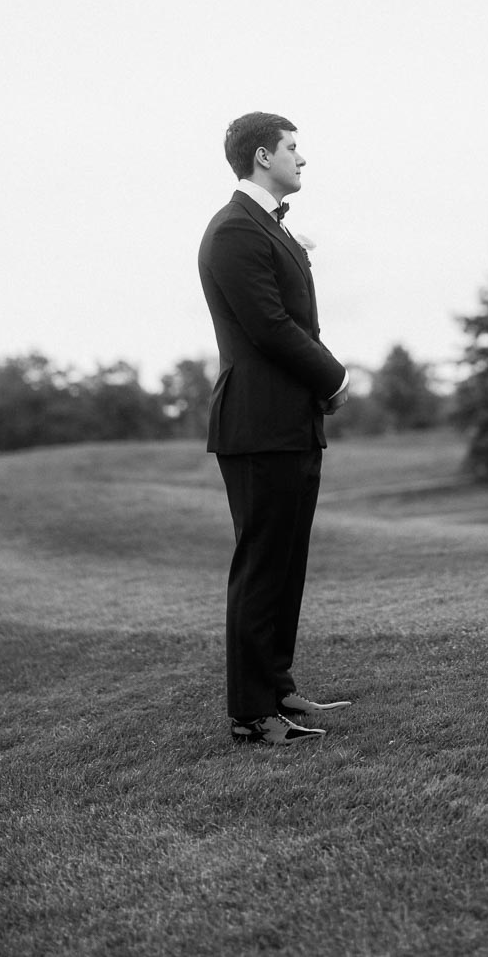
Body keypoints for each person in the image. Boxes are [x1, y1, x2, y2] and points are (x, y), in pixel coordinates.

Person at [198, 111, 351, 746]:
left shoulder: (265, 227)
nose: (302, 158)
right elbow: (269, 326)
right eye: (293, 148)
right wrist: (334, 377)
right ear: (263, 157)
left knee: (287, 563)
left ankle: (279, 687)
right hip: (259, 422)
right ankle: (252, 716)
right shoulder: (235, 229)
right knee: (262, 565)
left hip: (289, 421)